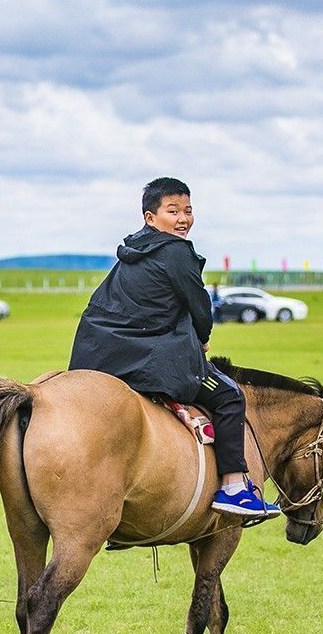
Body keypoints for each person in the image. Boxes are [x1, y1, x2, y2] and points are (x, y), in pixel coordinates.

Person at [69, 178, 281, 520]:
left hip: (97, 360)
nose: (183, 218)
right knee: (228, 396)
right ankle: (234, 488)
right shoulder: (176, 252)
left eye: (188, 210)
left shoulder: (134, 253)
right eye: (173, 211)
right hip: (147, 362)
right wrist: (203, 336)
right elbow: (200, 305)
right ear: (150, 218)